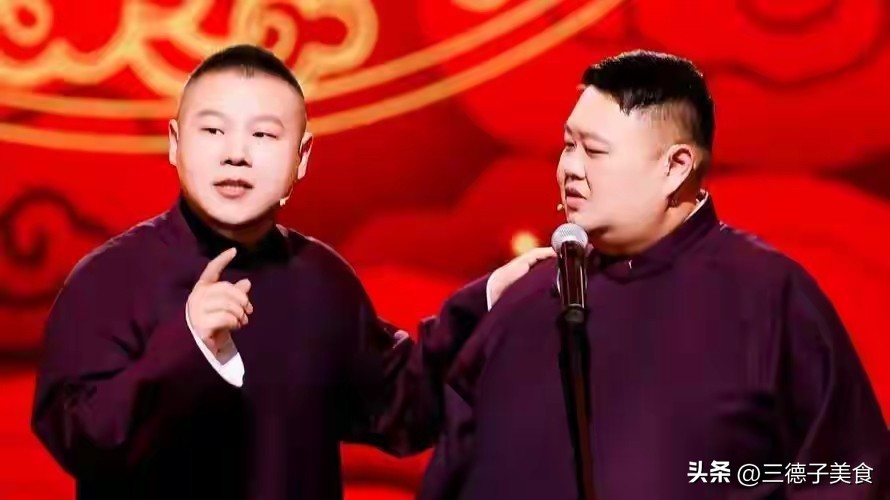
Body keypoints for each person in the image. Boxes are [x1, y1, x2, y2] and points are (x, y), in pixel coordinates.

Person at [30, 44, 552, 500]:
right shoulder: (107, 279)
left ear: (301, 157)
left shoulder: (320, 279)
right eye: (212, 130)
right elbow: (78, 439)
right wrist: (188, 346)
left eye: (262, 134)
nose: (236, 154)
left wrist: (487, 303)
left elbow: (403, 408)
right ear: (175, 142)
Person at [418, 50, 889, 499]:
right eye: (568, 145)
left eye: (594, 151)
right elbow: (447, 458)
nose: (570, 169)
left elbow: (851, 472)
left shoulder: (769, 297)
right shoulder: (529, 298)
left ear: (675, 167)